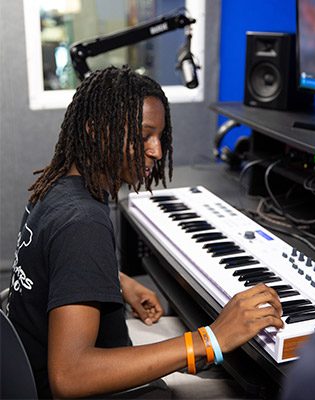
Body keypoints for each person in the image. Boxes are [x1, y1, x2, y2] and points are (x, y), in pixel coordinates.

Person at [6, 66, 285, 398]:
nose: (156, 150)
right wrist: (211, 339)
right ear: (95, 130)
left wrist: (116, 281)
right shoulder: (83, 222)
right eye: (143, 136)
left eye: (160, 137)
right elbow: (70, 377)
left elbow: (53, 264)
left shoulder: (55, 189)